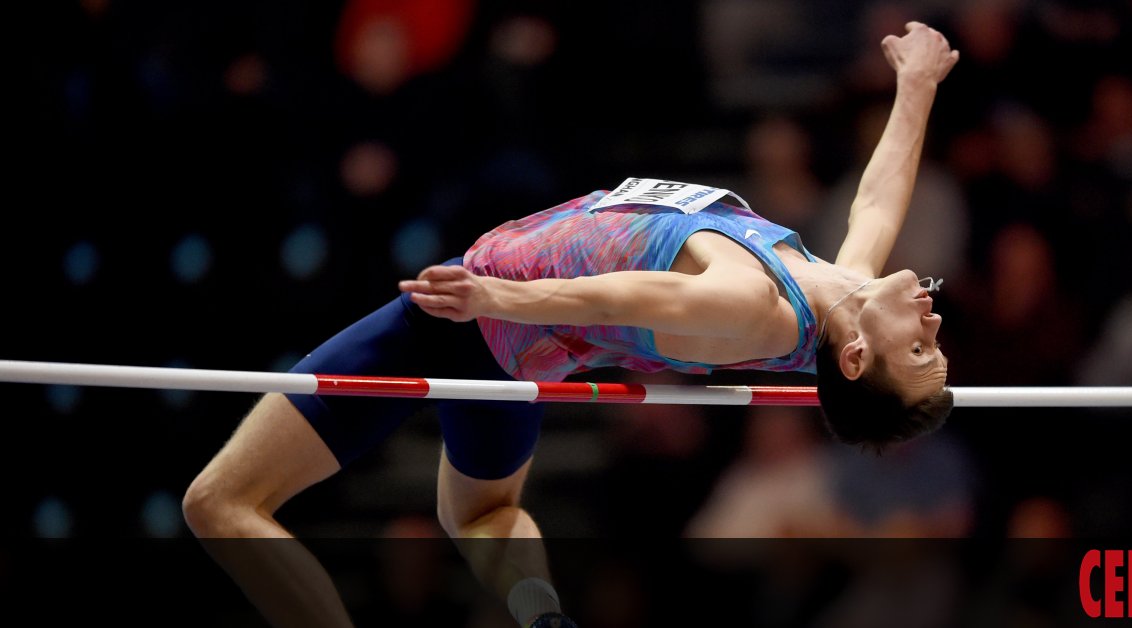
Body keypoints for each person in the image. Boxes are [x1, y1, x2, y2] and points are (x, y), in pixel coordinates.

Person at [182, 21, 958, 628]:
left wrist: (492, 298)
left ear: (856, 357)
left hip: (476, 316)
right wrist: (917, 82)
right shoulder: (836, 287)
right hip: (507, 342)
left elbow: (618, 298)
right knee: (481, 514)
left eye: (920, 348)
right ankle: (543, 616)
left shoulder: (759, 310)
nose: (932, 320)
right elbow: (876, 200)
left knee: (219, 503)